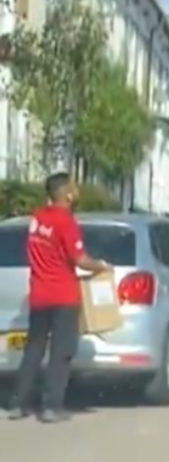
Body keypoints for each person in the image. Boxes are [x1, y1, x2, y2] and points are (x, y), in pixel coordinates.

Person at [8, 172, 109, 423]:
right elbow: (80, 260)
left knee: (33, 349)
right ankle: (51, 405)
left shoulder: (38, 218)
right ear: (67, 194)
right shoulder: (66, 222)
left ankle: (19, 404)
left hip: (39, 295)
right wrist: (102, 266)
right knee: (62, 352)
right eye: (74, 188)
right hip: (63, 296)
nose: (77, 192)